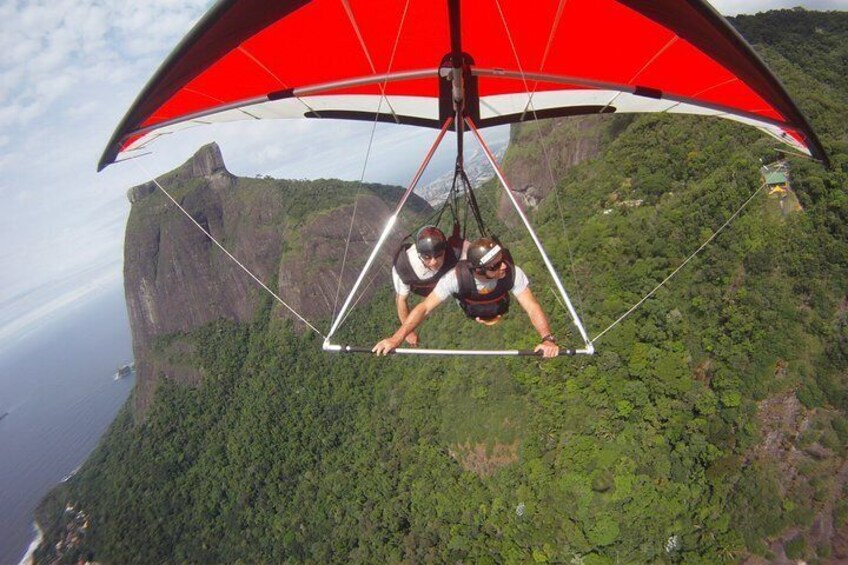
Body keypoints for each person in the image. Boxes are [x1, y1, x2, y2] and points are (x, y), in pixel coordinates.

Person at [375, 238, 560, 357]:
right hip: (471, 306)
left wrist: (547, 339)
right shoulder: (454, 279)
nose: (503, 267)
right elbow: (424, 308)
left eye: (502, 260)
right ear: (478, 269)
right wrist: (396, 338)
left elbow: (532, 307)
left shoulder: (512, 273)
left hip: (499, 305)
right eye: (494, 266)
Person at [391, 225, 462, 346]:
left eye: (439, 255)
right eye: (427, 257)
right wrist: (408, 332)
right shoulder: (404, 267)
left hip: (446, 279)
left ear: (445, 249)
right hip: (422, 287)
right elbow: (401, 300)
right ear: (419, 254)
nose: (433, 262)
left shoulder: (455, 251)